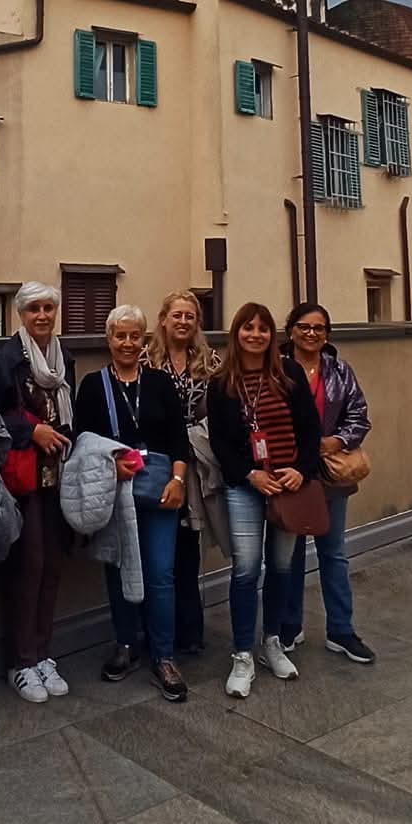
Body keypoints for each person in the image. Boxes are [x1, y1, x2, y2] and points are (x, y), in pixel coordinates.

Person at [75, 304, 189, 703]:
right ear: (109, 340)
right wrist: (111, 467)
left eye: (134, 336)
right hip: (116, 490)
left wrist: (178, 481)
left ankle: (164, 655)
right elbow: (83, 443)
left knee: (160, 573)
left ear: (144, 340)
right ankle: (126, 644)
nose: (127, 343)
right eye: (119, 336)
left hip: (160, 490)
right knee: (119, 569)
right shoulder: (92, 385)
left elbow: (179, 438)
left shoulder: (159, 383)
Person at [207, 302, 321, 700]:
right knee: (246, 568)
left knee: (283, 566)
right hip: (246, 486)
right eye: (247, 327)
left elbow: (310, 429)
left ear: (272, 335)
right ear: (236, 333)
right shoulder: (221, 381)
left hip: (289, 485)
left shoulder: (288, 373)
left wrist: (301, 471)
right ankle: (242, 654)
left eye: (263, 328)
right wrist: (249, 474)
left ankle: (272, 642)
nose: (255, 334)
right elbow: (220, 442)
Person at [0, 283, 74, 703]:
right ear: (20, 314)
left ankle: (43, 653)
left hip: (59, 474)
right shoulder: (3, 363)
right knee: (29, 565)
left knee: (54, 563)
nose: (42, 315)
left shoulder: (63, 358)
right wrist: (30, 430)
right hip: (22, 480)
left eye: (48, 307)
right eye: (34, 308)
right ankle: (21, 660)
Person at [280, 303, 375, 663]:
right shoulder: (277, 370)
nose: (312, 334)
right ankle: (289, 626)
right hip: (291, 474)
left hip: (330, 475)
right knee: (290, 555)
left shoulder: (339, 370)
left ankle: (341, 630)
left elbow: (359, 414)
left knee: (333, 553)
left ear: (327, 334)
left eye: (319, 328)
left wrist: (337, 441)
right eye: (304, 327)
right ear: (291, 331)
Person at [147, 291, 221, 655]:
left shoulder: (210, 362)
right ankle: (156, 631)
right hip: (155, 462)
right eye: (176, 315)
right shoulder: (147, 361)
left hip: (194, 464)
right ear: (163, 319)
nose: (182, 322)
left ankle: (190, 631)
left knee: (187, 548)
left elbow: (221, 412)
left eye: (190, 316)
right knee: (157, 550)